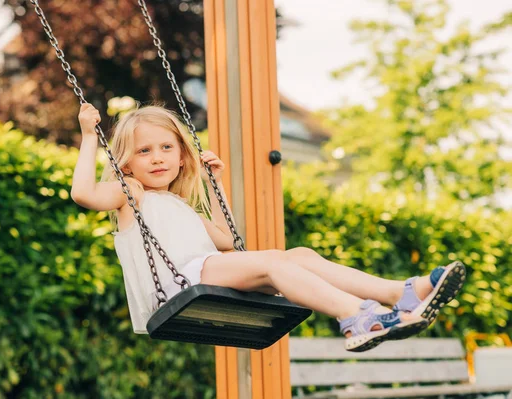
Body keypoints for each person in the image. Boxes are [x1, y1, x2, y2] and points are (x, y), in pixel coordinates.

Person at [70, 103, 466, 352]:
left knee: (299, 256)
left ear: (181, 156)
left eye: (166, 148)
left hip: (206, 272)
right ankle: (355, 316)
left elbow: (227, 242)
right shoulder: (132, 195)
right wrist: (90, 136)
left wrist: (215, 185)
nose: (156, 158)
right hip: (181, 285)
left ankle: (402, 292)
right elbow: (83, 193)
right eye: (144, 151)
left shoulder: (179, 205)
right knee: (277, 263)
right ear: (127, 163)